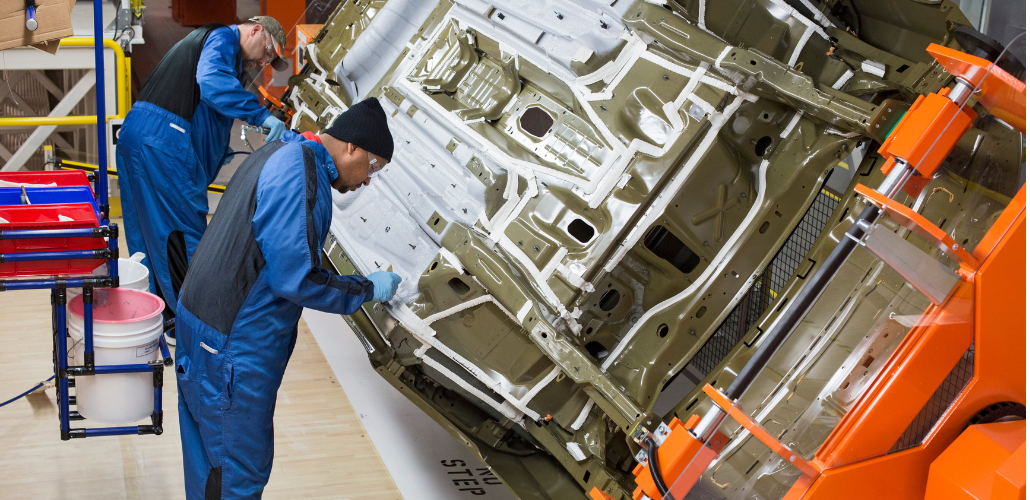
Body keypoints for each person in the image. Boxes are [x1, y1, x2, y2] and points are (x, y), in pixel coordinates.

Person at [173, 98, 403, 499]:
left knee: (208, 463)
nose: (369, 180)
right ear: (353, 147)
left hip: (200, 327)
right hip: (232, 346)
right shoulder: (303, 172)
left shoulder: (277, 152)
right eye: (374, 166)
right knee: (236, 471)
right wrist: (366, 288)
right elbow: (296, 278)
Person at [115, 16, 291, 344]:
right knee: (181, 234)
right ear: (255, 29)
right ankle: (192, 325)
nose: (262, 62)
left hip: (138, 134)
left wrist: (215, 154)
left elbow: (207, 104)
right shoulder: (222, 37)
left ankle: (160, 317)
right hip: (163, 143)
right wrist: (259, 116)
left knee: (146, 234)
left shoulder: (220, 53)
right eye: (267, 51)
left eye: (270, 61)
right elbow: (211, 81)